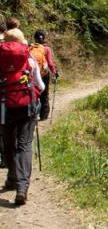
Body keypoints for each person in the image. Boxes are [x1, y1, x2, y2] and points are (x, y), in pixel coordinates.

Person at [0, 28, 45, 205]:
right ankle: (22, 187)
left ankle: (12, 177)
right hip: (26, 107)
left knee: (9, 143)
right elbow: (40, 86)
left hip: (4, 107)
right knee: (24, 145)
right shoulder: (29, 59)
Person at [30, 30, 58, 121]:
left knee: (32, 93)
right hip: (44, 74)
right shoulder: (46, 49)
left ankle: (32, 113)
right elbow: (49, 63)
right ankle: (43, 115)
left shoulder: (30, 47)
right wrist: (54, 72)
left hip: (32, 74)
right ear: (44, 38)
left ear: (35, 38)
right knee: (44, 94)